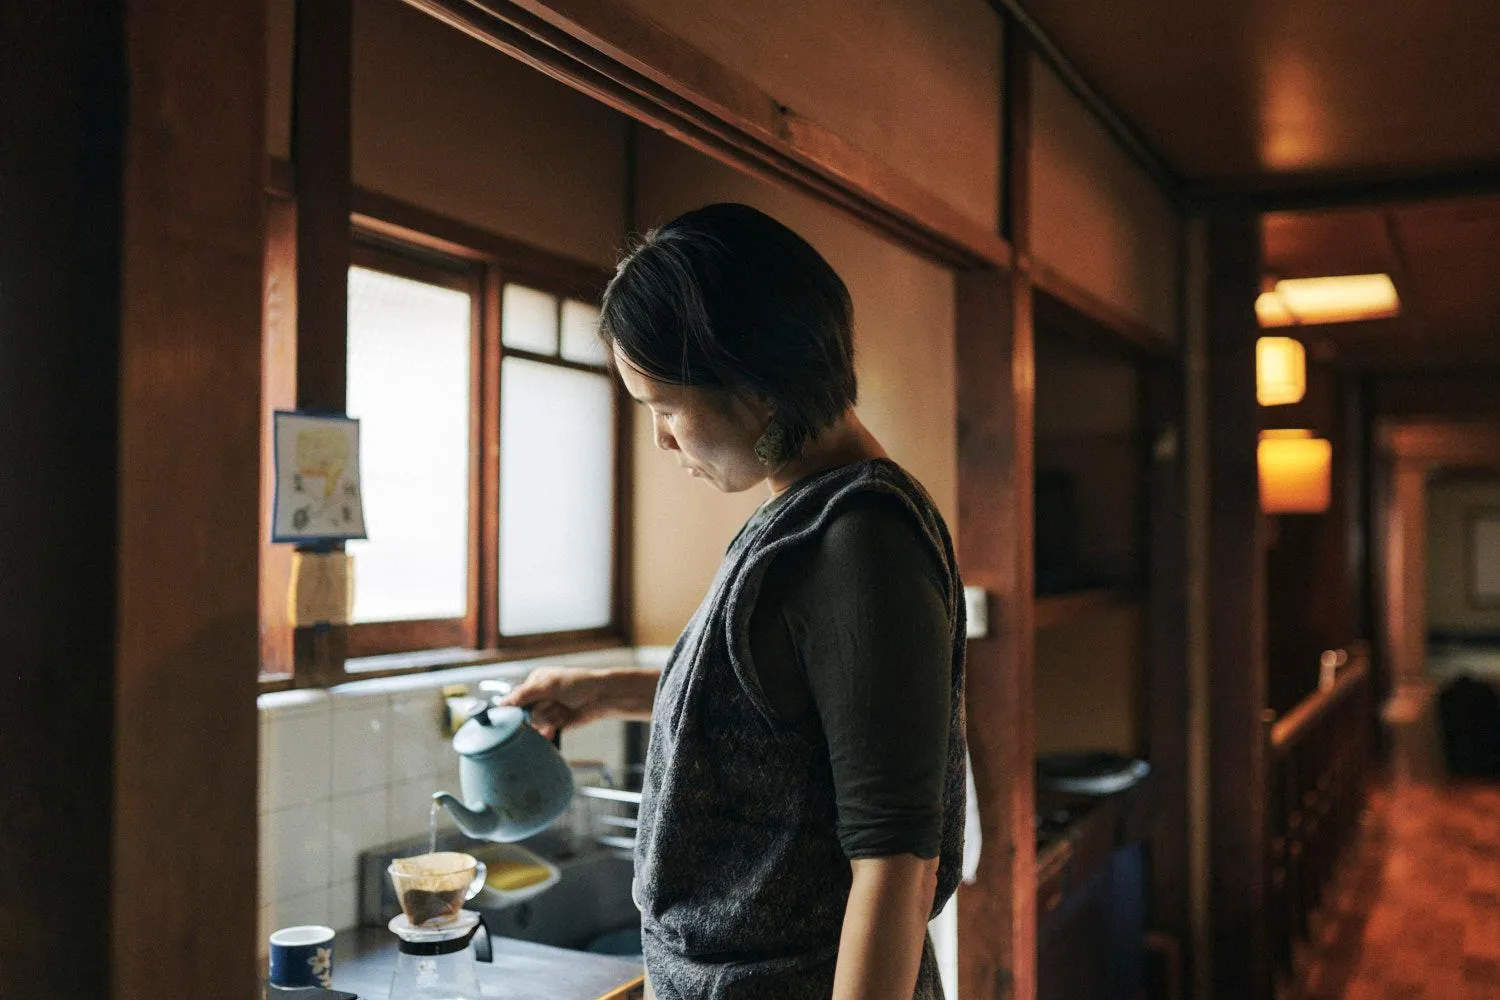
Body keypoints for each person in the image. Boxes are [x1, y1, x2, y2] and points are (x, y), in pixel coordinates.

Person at [500, 203, 966, 1000]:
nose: (661, 441)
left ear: (755, 382)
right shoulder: (802, 517)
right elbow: (790, 716)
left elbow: (897, 862)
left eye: (666, 408)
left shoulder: (862, 540)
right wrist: (605, 691)